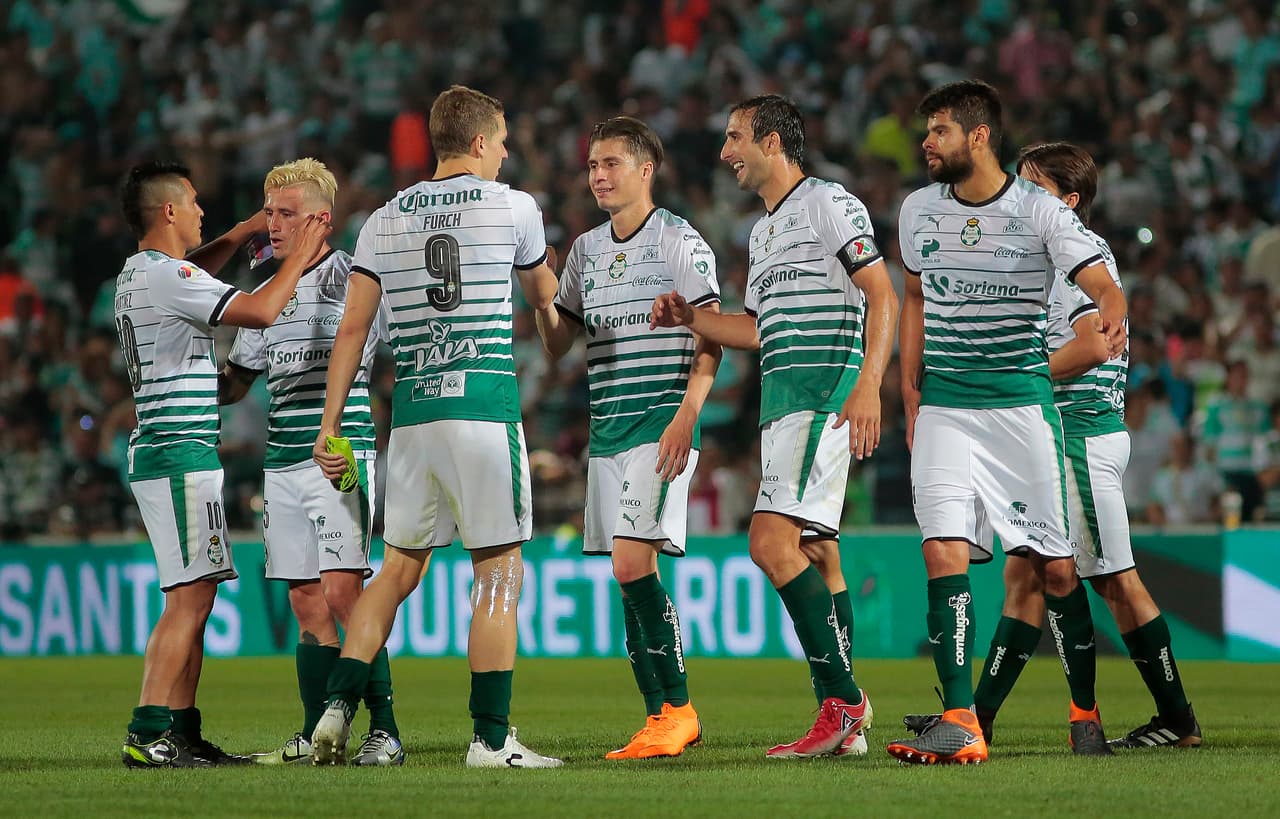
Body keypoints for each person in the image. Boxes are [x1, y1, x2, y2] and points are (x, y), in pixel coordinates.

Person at [910, 142, 1201, 752]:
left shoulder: (1069, 260)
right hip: (1060, 434)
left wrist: (1018, 371)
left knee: (1115, 580)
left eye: (1032, 184)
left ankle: (1177, 717)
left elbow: (1094, 344)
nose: (1018, 193)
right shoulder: (1044, 251)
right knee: (1025, 579)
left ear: (1068, 202)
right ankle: (975, 717)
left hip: (1080, 434)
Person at [308, 85, 562, 768]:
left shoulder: (383, 218)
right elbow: (548, 302)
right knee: (499, 570)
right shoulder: (515, 207)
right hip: (481, 406)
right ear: (479, 142)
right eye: (503, 141)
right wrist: (560, 324)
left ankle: (336, 705)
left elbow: (354, 329)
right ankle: (491, 738)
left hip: (413, 415)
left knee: (393, 571)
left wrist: (330, 426)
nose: (507, 154)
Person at [885, 81, 1127, 766]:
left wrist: (1113, 304)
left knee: (1054, 565)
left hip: (1021, 406)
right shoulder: (917, 210)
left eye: (938, 130)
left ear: (978, 135)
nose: (927, 143)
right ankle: (962, 720)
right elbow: (914, 298)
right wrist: (908, 390)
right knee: (942, 550)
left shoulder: (1038, 212)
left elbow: (1099, 279)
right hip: (945, 405)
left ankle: (1084, 712)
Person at [651, 94, 898, 759]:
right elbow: (756, 330)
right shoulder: (762, 231)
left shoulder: (827, 201)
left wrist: (870, 383)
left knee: (767, 541)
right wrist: (692, 319)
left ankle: (843, 700)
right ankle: (843, 717)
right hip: (784, 403)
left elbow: (882, 291)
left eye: (734, 138)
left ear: (769, 141)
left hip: (824, 395)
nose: (725, 152)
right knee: (816, 551)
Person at [116, 159, 328, 768]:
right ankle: (148, 731)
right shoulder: (166, 278)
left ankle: (179, 732)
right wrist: (298, 255)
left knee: (196, 594)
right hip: (178, 452)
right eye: (194, 202)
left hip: (169, 450)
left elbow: (193, 275)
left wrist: (240, 232)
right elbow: (260, 314)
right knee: (186, 598)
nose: (202, 211)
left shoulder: (140, 274)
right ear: (169, 212)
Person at [534, 116, 722, 759]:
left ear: (646, 170)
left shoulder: (679, 241)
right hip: (607, 431)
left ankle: (680, 708)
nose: (598, 176)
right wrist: (539, 292)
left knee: (630, 564)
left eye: (610, 164)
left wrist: (687, 414)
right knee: (626, 577)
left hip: (659, 424)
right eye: (592, 166)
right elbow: (559, 344)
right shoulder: (585, 250)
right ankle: (658, 714)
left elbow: (711, 335)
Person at [218, 158, 404, 766]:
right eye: (269, 212)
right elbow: (238, 382)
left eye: (285, 213)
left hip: (339, 451)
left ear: (321, 219)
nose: (272, 224)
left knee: (347, 593)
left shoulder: (357, 279)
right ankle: (314, 734)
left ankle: (386, 730)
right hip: (281, 457)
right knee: (305, 600)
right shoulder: (266, 289)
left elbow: (398, 352)